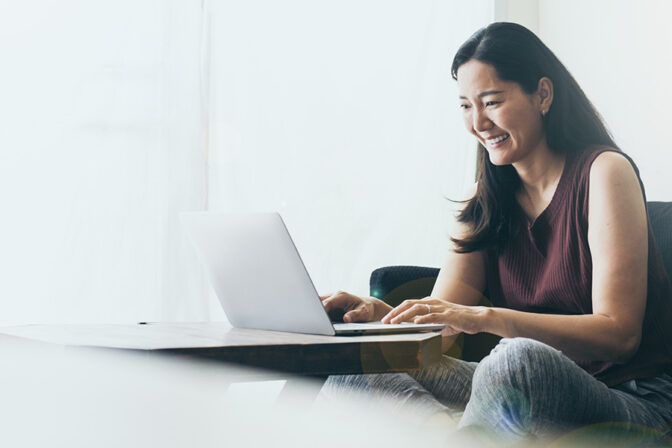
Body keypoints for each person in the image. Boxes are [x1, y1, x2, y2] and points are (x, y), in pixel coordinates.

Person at [319, 22, 672, 443]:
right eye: (466, 106)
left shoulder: (604, 172)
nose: (479, 123)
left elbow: (619, 335)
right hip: (511, 389)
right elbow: (443, 328)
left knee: (516, 359)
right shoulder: (483, 198)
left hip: (628, 399)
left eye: (491, 102)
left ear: (543, 94)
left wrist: (487, 318)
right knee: (356, 361)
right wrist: (377, 316)